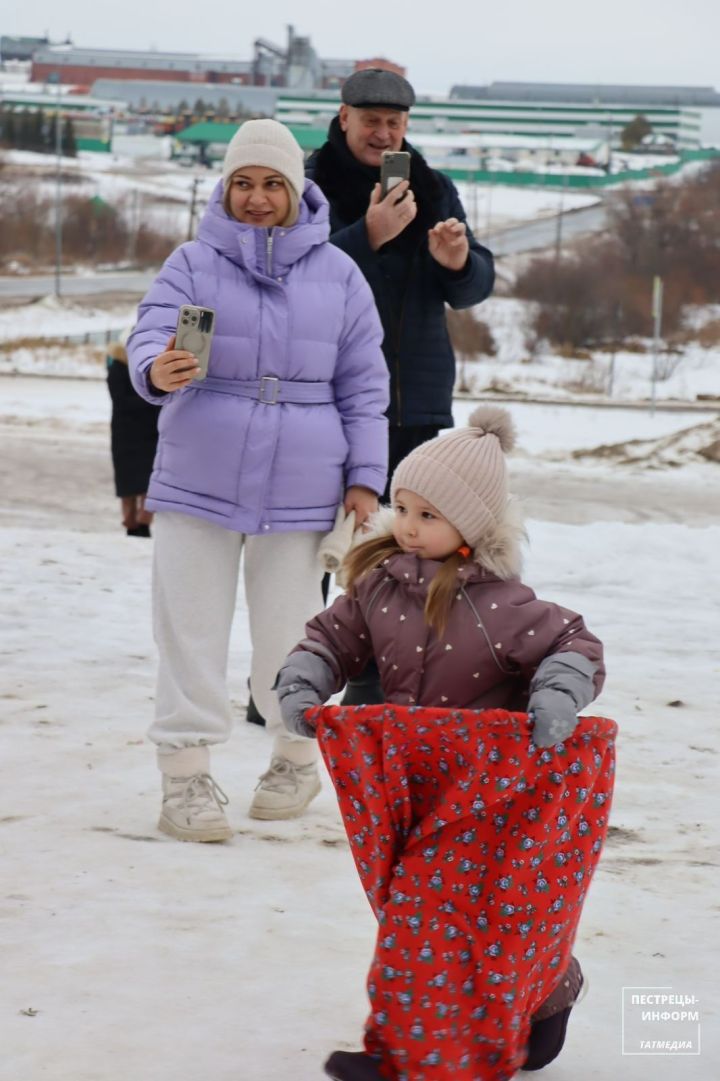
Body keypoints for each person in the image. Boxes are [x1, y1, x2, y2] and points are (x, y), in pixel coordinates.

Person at [276, 407, 609, 1081]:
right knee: (414, 907)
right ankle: (543, 988)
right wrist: (305, 678)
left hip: (486, 792)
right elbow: (331, 638)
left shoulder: (501, 605)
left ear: (472, 525)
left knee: (425, 911)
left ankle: (411, 1056)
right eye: (403, 506)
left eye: (428, 514)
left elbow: (572, 642)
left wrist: (556, 694)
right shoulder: (379, 588)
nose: (407, 524)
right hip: (406, 787)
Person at [127, 119, 389, 840]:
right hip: (197, 476)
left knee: (293, 636)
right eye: (243, 182)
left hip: (304, 485)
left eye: (272, 183)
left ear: (296, 189)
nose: (256, 197)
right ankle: (184, 778)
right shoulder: (191, 261)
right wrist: (155, 366)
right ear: (225, 187)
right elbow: (149, 329)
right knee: (189, 630)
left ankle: (295, 757)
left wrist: (366, 477)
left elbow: (366, 385)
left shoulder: (339, 273)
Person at [306, 67, 495, 706]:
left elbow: (474, 286)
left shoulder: (433, 186)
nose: (382, 134)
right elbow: (294, 278)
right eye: (370, 122)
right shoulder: (309, 181)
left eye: (394, 124)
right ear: (343, 118)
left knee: (403, 545)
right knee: (316, 544)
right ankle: (294, 675)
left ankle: (378, 678)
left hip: (412, 395)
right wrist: (367, 237)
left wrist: (458, 262)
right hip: (324, 392)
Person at [106, 330, 158, 537]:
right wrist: (151, 397)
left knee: (149, 480)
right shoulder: (118, 366)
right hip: (125, 431)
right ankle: (130, 523)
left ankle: (144, 523)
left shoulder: (151, 366)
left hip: (150, 431)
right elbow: (120, 399)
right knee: (128, 482)